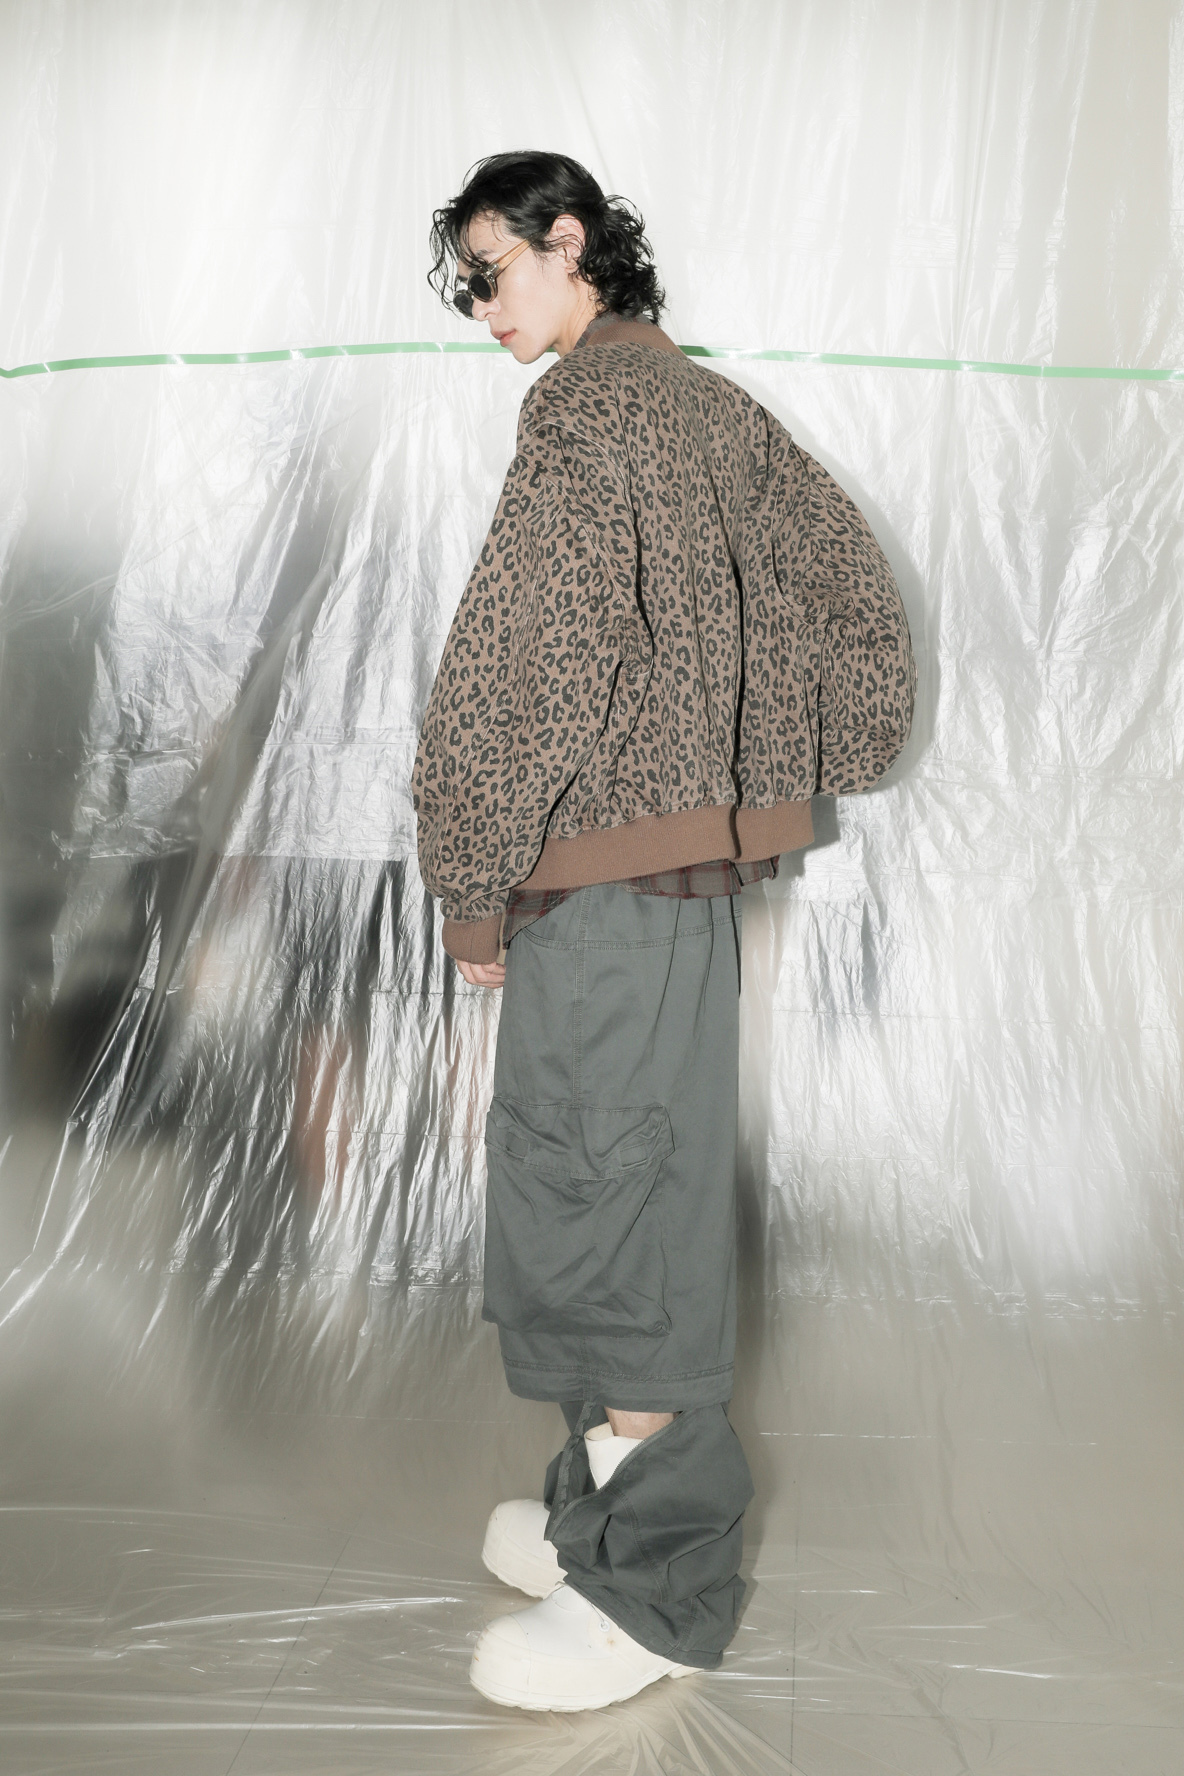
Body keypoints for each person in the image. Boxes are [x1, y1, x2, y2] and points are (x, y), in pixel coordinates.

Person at [414, 150, 915, 1712]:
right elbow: (857, 609)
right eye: (466, 286)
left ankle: (657, 1592)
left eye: (491, 271)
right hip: (663, 890)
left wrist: (471, 870)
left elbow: (525, 666)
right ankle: (599, 1519)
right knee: (614, 1172)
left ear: (569, 243)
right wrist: (749, 783)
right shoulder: (708, 408)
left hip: (604, 891)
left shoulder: (586, 413)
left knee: (608, 1196)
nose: (480, 308)